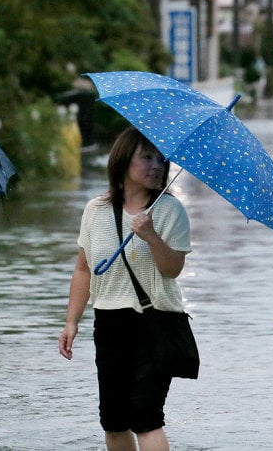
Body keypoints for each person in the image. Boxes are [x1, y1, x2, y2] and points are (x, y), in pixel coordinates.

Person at [59, 126, 192, 451]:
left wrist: (151, 236)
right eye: (146, 157)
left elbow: (172, 269)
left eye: (161, 159)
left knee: (145, 416)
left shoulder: (170, 211)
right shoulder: (95, 210)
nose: (156, 166)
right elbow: (83, 268)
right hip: (109, 323)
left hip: (156, 322)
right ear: (122, 161)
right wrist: (71, 321)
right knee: (114, 420)